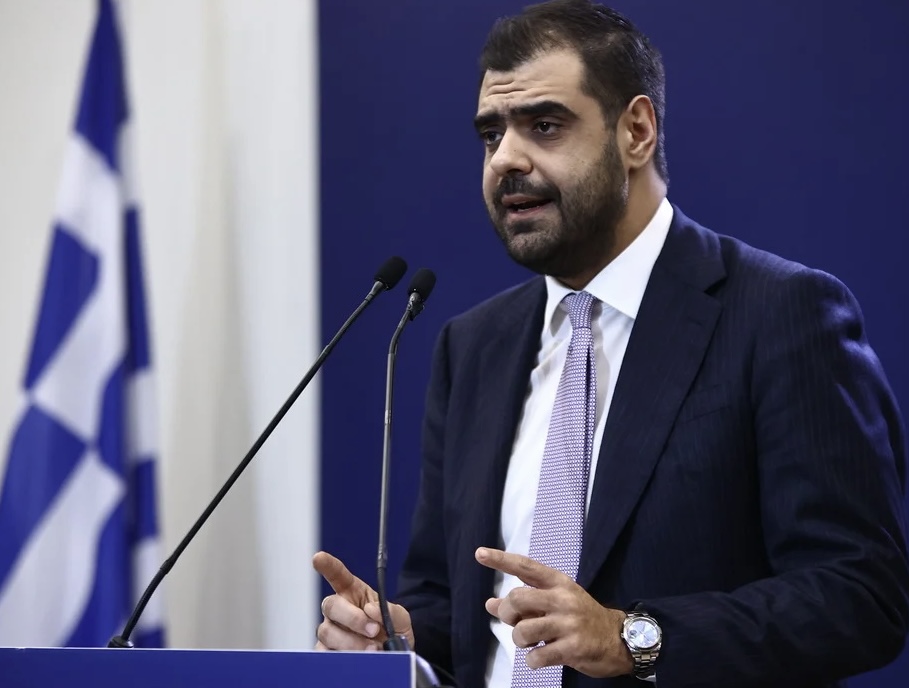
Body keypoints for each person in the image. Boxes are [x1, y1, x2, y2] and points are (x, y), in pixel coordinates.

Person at [313, 1, 909, 686]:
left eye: (544, 126)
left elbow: (859, 596)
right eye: (490, 134)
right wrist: (400, 637)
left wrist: (633, 638)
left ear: (636, 131)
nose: (505, 159)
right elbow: (452, 606)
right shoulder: (471, 347)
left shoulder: (780, 315)